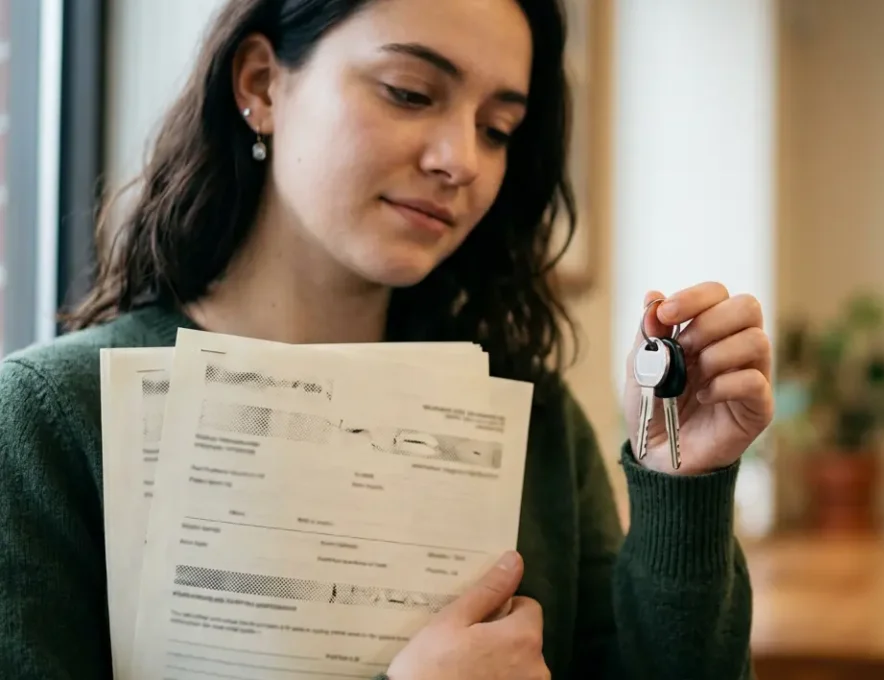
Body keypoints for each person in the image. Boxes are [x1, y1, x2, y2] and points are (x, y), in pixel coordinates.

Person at [0, 1, 773, 678]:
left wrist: (681, 486)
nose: (460, 161)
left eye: (497, 128)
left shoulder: (537, 424)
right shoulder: (49, 421)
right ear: (262, 84)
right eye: (409, 93)